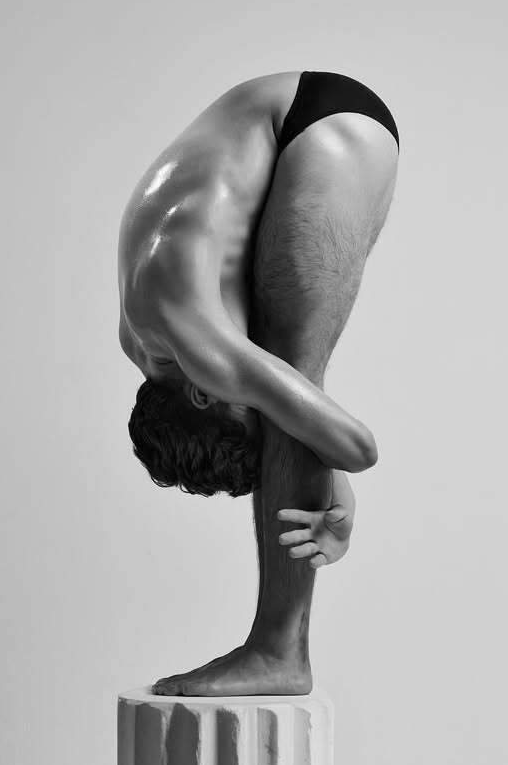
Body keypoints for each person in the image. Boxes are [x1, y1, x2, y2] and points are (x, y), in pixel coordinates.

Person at [118, 71, 399, 694]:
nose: (260, 410)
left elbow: (357, 446)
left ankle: (278, 652)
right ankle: (278, 650)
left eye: (246, 416)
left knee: (292, 375)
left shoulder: (201, 348)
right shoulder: (144, 341)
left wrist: (338, 494)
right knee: (287, 381)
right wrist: (328, 488)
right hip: (297, 123)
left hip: (321, 136)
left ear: (201, 395)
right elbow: (297, 410)